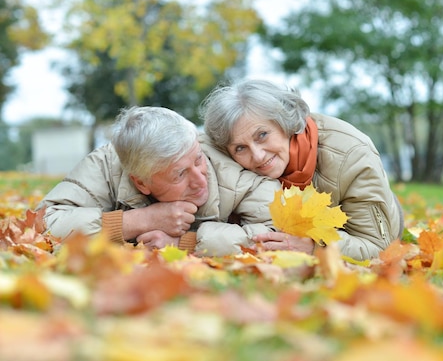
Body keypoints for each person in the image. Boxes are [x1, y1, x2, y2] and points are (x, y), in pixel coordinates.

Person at [199, 79, 403, 260]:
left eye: (262, 135)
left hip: (374, 222)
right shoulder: (227, 158)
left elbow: (379, 249)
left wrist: (314, 245)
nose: (258, 156)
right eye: (240, 148)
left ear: (284, 122)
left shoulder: (352, 155)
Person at [37, 106, 280, 256]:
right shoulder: (106, 164)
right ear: (141, 183)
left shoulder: (233, 168)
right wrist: (139, 221)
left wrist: (186, 243)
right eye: (180, 174)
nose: (199, 180)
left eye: (197, 160)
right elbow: (43, 223)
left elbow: (277, 234)